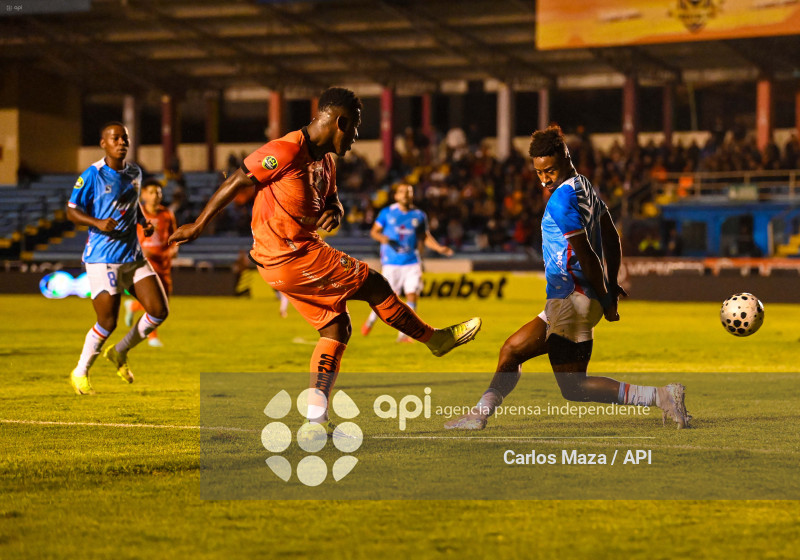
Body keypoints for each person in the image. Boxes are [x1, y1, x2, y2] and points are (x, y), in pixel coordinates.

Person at [169, 87, 481, 434]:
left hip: (288, 258)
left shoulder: (326, 162)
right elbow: (240, 178)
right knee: (373, 283)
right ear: (341, 122)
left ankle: (316, 417)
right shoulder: (286, 150)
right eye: (357, 127)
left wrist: (335, 209)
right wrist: (198, 225)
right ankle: (434, 340)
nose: (357, 137)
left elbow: (332, 200)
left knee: (336, 327)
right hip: (288, 254)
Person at [445, 125, 689, 430]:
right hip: (570, 299)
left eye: (550, 169)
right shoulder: (583, 185)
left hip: (572, 300)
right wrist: (610, 285)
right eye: (538, 172)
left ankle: (662, 396)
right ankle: (478, 415)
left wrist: (607, 296)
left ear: (565, 156)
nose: (545, 178)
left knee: (574, 387)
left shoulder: (561, 201)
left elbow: (587, 254)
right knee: (512, 350)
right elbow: (611, 235)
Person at [67, 122, 170, 395]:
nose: (121, 142)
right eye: (115, 138)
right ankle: (80, 371)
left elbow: (131, 203)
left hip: (133, 255)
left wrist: (144, 222)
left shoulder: (135, 171)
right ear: (103, 143)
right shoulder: (92, 175)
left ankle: (119, 352)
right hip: (103, 258)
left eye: (125, 138)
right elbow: (72, 211)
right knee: (108, 322)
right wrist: (97, 222)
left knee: (159, 311)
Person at [361, 183, 454, 342]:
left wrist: (439, 248)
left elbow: (424, 237)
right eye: (402, 192)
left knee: (412, 295)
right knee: (386, 299)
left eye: (409, 192)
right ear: (396, 196)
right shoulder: (387, 213)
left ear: (412, 195)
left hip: (412, 262)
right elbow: (374, 232)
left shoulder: (419, 215)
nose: (405, 194)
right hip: (391, 263)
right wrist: (383, 238)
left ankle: (404, 335)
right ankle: (370, 321)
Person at [124, 179, 177, 347]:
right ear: (144, 194)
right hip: (143, 262)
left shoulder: (167, 214)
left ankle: (132, 306)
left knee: (164, 304)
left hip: (163, 261)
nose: (156, 196)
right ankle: (152, 337)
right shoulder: (136, 213)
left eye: (158, 192)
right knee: (153, 302)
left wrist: (174, 249)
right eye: (152, 192)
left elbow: (174, 237)